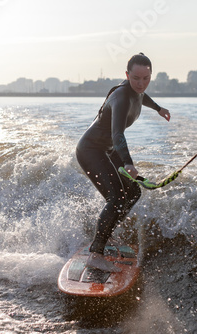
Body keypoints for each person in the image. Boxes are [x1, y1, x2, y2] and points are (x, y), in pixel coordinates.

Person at [76, 53, 170, 272]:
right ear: (127, 75)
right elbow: (117, 134)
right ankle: (96, 254)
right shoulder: (120, 98)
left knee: (133, 192)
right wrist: (128, 163)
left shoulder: (138, 91)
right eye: (136, 78)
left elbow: (142, 97)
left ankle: (105, 236)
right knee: (117, 197)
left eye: (146, 79)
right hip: (91, 150)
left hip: (107, 149)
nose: (141, 83)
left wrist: (158, 108)